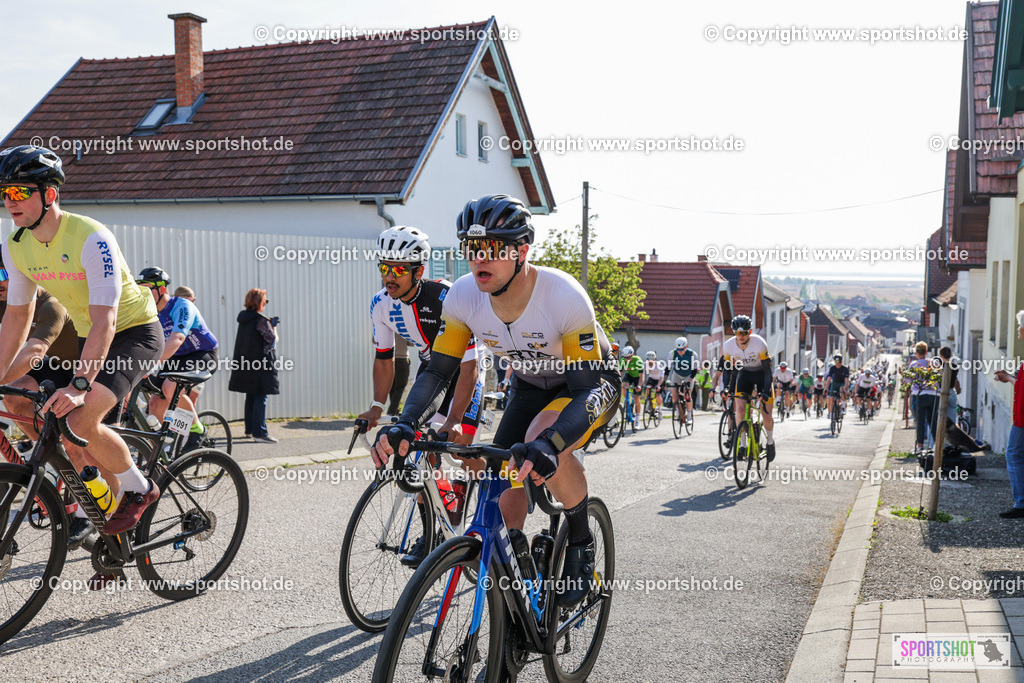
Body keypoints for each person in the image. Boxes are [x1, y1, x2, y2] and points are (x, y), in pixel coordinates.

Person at [370, 194, 620, 608]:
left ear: (522, 251)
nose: (478, 259)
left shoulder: (562, 297)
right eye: (471, 249)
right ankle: (517, 585)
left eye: (491, 249)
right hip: (526, 384)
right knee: (499, 496)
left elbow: (586, 390)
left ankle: (580, 541)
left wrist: (551, 446)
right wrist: (406, 422)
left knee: (542, 439)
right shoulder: (464, 296)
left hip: (583, 385)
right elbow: (438, 370)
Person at [0, 146, 164, 580]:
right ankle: (104, 520)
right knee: (21, 403)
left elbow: (106, 319)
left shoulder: (92, 236)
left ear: (49, 194)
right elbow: (18, 317)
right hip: (85, 334)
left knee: (81, 417)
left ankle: (138, 486)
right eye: (4, 193)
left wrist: (79, 385)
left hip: (133, 332)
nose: (9, 201)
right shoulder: (16, 246)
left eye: (18, 191)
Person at [358, 225, 484, 568]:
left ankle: (487, 500)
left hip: (465, 372)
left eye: (399, 269)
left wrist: (455, 420)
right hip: (431, 375)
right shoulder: (381, 305)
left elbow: (469, 369)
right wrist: (376, 407)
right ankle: (432, 535)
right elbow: (384, 359)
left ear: (419, 271)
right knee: (419, 451)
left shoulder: (446, 296)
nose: (389, 276)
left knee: (463, 450)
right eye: (384, 267)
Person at [137, 267, 219, 452]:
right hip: (176, 358)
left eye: (148, 289)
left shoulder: (182, 305)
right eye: (141, 289)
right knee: (156, 402)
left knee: (170, 387)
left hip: (202, 353)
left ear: (162, 290)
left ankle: (197, 431)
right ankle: (161, 451)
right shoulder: (149, 312)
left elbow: (177, 338)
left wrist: (152, 363)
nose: (144, 294)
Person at [721, 315, 776, 461]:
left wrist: (764, 392)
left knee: (767, 415)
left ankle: (770, 442)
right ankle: (743, 445)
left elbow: (767, 370)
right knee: (739, 409)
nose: (740, 336)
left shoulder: (759, 343)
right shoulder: (728, 346)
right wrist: (726, 388)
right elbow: (727, 370)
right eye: (737, 333)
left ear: (750, 331)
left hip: (761, 374)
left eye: (744, 333)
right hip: (745, 374)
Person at [228, 288, 279, 442]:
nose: (266, 303)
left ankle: (250, 429)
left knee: (251, 395)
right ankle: (260, 433)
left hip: (247, 364)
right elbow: (273, 341)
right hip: (260, 365)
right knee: (260, 396)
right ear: (259, 302)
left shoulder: (244, 319)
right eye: (265, 300)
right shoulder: (261, 320)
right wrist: (274, 327)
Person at [995, 311, 1024, 518]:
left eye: (1019, 326)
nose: (1017, 330)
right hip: (1020, 416)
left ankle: (1021, 503)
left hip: (1022, 418)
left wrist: (1009, 378)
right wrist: (1009, 378)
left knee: (1013, 455)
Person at [907, 341, 937, 454]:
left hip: (918, 394)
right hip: (934, 395)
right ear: (926, 351)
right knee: (932, 420)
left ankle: (919, 447)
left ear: (916, 352)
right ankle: (935, 445)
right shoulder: (933, 363)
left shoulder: (914, 365)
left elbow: (908, 380)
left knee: (920, 421)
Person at [668, 337, 698, 420]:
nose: (679, 351)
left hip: (689, 374)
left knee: (687, 394)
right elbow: (668, 368)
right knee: (674, 394)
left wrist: (689, 381)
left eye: (682, 349)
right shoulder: (672, 353)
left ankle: (689, 416)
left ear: (686, 347)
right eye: (678, 349)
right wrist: (664, 380)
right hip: (677, 374)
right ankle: (678, 411)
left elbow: (695, 370)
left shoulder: (692, 354)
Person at [619, 345, 643, 431]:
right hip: (629, 375)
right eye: (625, 357)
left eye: (628, 357)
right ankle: (627, 401)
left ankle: (637, 421)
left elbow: (641, 376)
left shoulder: (638, 360)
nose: (627, 359)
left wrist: (639, 386)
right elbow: (620, 374)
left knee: (637, 399)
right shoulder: (622, 361)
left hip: (637, 378)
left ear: (632, 355)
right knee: (624, 386)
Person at [824, 354, 850, 421]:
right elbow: (829, 379)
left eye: (839, 362)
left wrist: (845, 388)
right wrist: (826, 388)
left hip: (842, 383)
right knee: (832, 398)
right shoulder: (832, 368)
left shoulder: (845, 369)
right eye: (836, 362)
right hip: (835, 383)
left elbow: (846, 380)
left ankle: (843, 407)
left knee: (842, 390)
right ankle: (832, 416)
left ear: (841, 361)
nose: (837, 364)